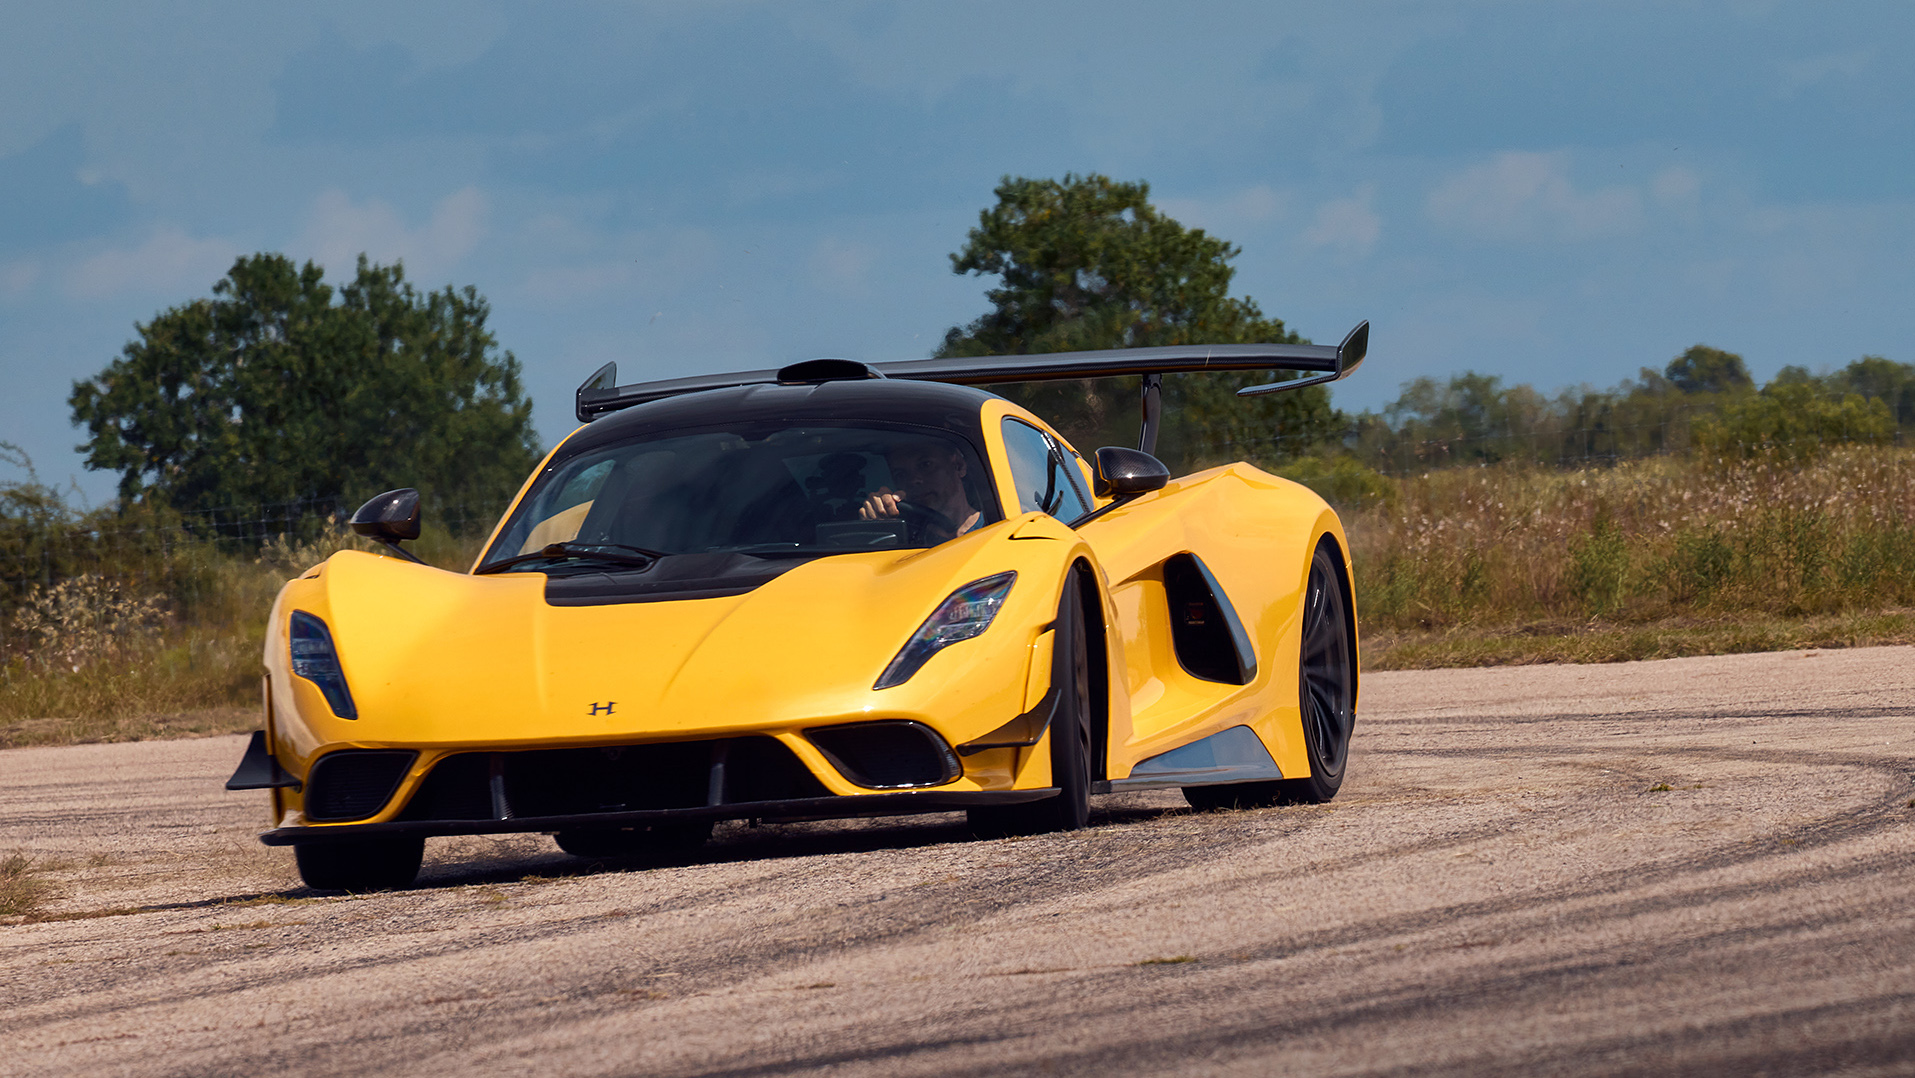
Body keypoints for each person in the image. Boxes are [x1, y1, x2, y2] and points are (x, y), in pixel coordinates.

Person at [859, 438, 982, 542]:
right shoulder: (903, 539)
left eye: (926, 465)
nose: (913, 480)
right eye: (900, 474)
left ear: (959, 466)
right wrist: (878, 519)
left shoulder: (994, 530)